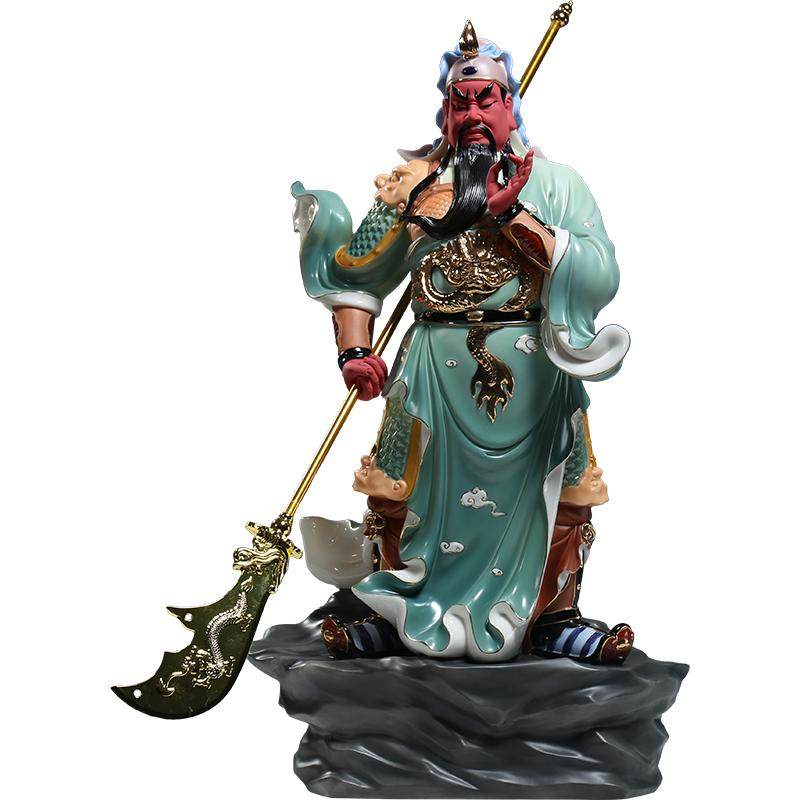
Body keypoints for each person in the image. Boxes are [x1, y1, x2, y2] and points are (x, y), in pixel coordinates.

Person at [293, 22, 633, 665]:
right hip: (431, 365)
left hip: (535, 367)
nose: (473, 113)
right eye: (460, 101)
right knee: (397, 486)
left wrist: (513, 215)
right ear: (445, 111)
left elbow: (599, 272)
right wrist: (354, 350)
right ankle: (392, 612)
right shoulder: (412, 187)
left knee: (566, 492)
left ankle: (553, 616)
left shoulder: (557, 185)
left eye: (487, 99)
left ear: (511, 107)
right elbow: (354, 276)